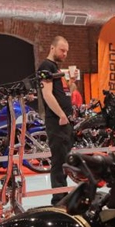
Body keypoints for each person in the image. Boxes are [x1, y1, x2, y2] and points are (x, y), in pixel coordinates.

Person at [38, 35, 74, 205]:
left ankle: (63, 194)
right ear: (52, 48)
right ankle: (58, 199)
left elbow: (65, 93)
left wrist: (72, 82)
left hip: (64, 121)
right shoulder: (46, 66)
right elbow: (47, 94)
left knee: (64, 159)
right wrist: (60, 114)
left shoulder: (56, 68)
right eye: (62, 50)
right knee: (59, 160)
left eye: (66, 51)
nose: (65, 53)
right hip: (57, 121)